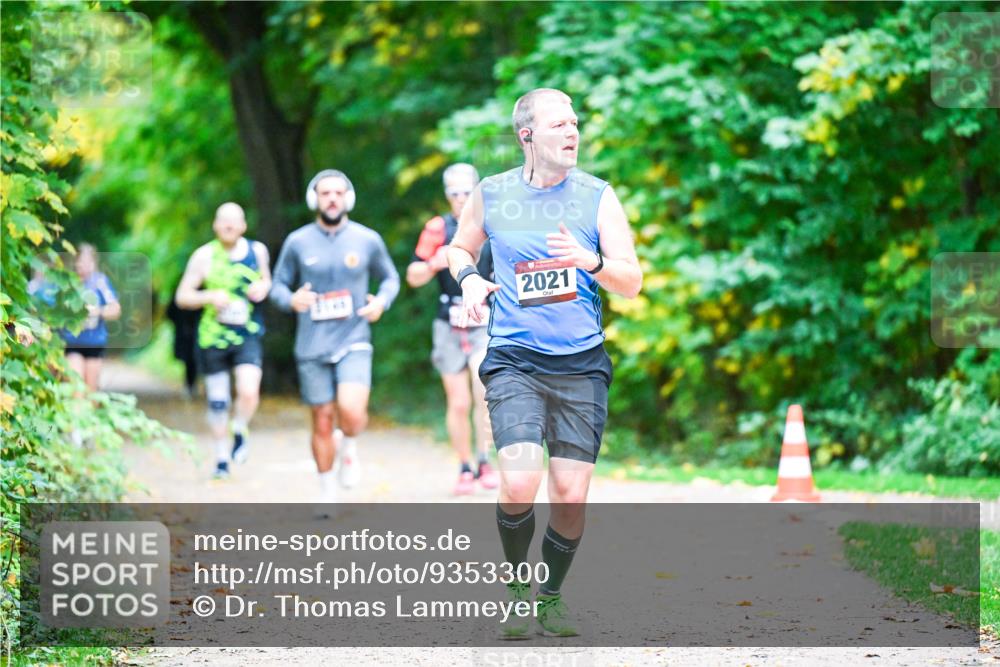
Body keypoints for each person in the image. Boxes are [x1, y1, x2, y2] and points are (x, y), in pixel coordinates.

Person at [447, 88, 642, 638]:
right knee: (517, 484)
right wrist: (471, 279)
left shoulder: (597, 197)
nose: (573, 132)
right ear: (527, 135)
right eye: (560, 124)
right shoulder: (493, 193)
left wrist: (592, 261)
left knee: (570, 494)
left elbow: (632, 281)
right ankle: (515, 591)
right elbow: (459, 248)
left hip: (581, 364)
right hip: (514, 360)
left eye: (576, 122)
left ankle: (551, 595)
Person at [270, 169, 400, 517]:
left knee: (352, 412)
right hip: (311, 345)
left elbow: (390, 279)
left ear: (348, 198)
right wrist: (291, 300)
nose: (332, 199)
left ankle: (351, 445)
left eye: (338, 193)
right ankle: (327, 489)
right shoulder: (298, 242)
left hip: (354, 338)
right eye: (325, 193)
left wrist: (380, 303)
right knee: (323, 418)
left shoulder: (367, 239)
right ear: (315, 199)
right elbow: (277, 286)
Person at [406, 163, 499, 496]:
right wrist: (435, 261)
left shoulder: (490, 225)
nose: (461, 198)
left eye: (466, 191)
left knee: (483, 389)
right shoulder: (437, 228)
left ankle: (485, 460)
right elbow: (413, 276)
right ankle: (464, 467)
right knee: (458, 402)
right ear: (447, 196)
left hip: (482, 323)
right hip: (448, 322)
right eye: (454, 193)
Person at [175, 203, 271, 479]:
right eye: (223, 221)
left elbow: (267, 282)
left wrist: (262, 288)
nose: (229, 226)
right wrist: (209, 296)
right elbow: (183, 296)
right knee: (218, 402)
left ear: (243, 225)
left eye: (234, 221)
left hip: (247, 333)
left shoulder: (257, 251)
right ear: (215, 225)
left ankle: (239, 427)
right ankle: (220, 458)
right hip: (212, 337)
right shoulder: (203, 256)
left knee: (249, 391)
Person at [61, 243, 121, 392]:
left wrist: (97, 312)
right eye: (81, 261)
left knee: (91, 390)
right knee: (76, 388)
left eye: (89, 262)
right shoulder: (67, 283)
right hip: (72, 342)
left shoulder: (100, 282)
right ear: (75, 262)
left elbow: (115, 309)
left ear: (94, 263)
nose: (85, 266)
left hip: (94, 343)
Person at [167, 280, 201, 399]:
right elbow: (170, 313)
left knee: (193, 361)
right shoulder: (178, 296)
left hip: (196, 334)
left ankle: (191, 385)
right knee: (189, 361)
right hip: (186, 334)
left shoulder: (202, 295)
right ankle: (190, 385)